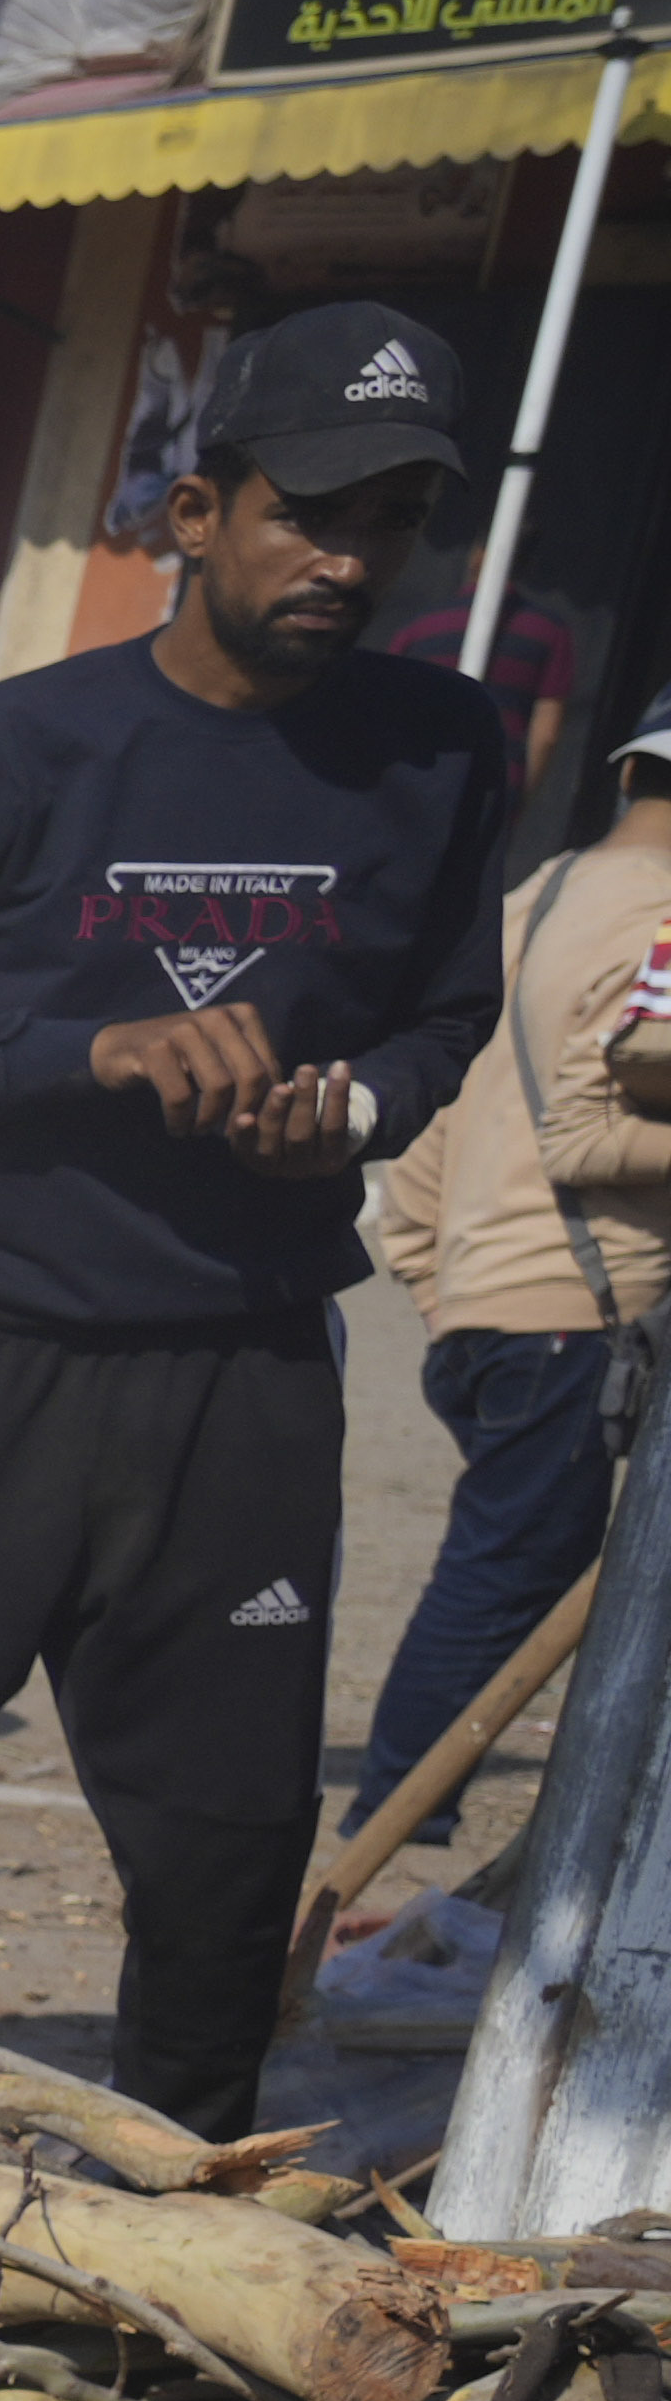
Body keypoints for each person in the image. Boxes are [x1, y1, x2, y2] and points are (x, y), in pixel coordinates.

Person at [0, 299, 519, 2131]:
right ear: (196, 509)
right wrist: (95, 1053)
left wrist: (359, 1109)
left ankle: (188, 2242)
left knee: (225, 1865)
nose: (347, 557)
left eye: (390, 519)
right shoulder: (14, 751)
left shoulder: (445, 750)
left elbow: (446, 1015)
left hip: (243, 1377)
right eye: (308, 509)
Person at [346, 690, 671, 1876]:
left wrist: (440, 1289)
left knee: (503, 1579)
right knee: (502, 1591)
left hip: (488, 1311)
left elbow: (424, 1133)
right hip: (573, 1318)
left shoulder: (530, 901)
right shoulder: (663, 923)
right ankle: (398, 1841)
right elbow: (588, 1138)